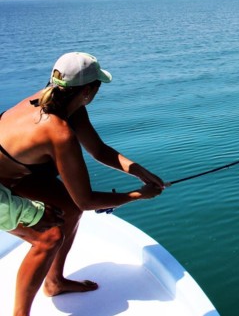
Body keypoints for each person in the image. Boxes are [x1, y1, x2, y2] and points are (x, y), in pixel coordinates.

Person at [0, 52, 165, 316]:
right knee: (49, 238)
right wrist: (137, 195)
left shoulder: (61, 102)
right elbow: (86, 200)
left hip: (16, 176)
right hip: (2, 191)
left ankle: (54, 282)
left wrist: (138, 171)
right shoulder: (57, 131)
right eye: (98, 86)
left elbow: (98, 150)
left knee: (68, 207)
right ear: (88, 90)